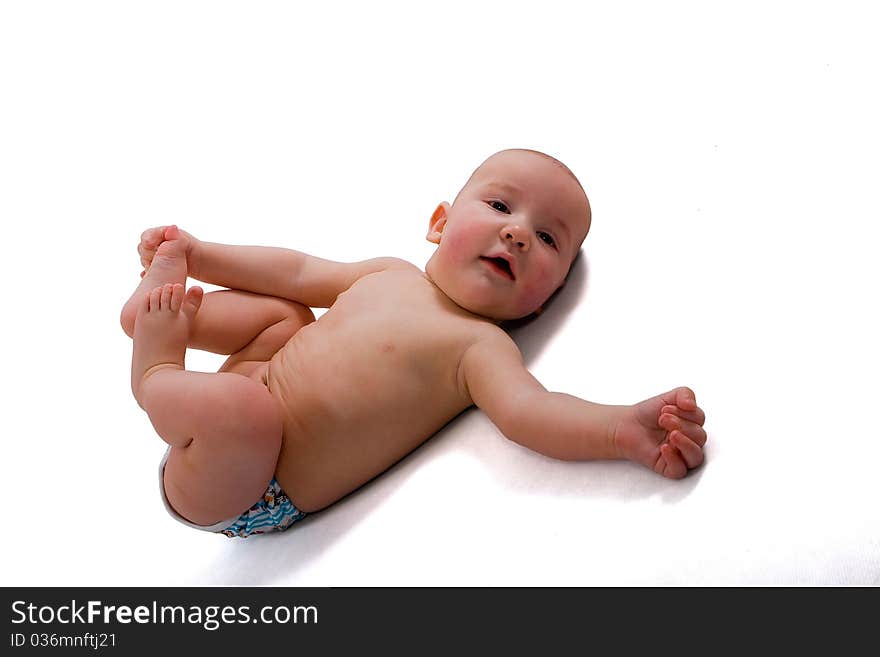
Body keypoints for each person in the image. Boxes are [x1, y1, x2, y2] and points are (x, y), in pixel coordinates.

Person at [120, 148, 708, 538]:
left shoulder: (480, 350)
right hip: (239, 396)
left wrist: (619, 428)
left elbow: (534, 412)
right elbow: (295, 269)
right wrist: (202, 255)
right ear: (439, 223)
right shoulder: (386, 272)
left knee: (245, 407)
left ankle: (154, 365)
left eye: (548, 239)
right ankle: (159, 314)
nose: (518, 232)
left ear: (546, 301)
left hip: (245, 486)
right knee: (283, 313)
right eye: (501, 206)